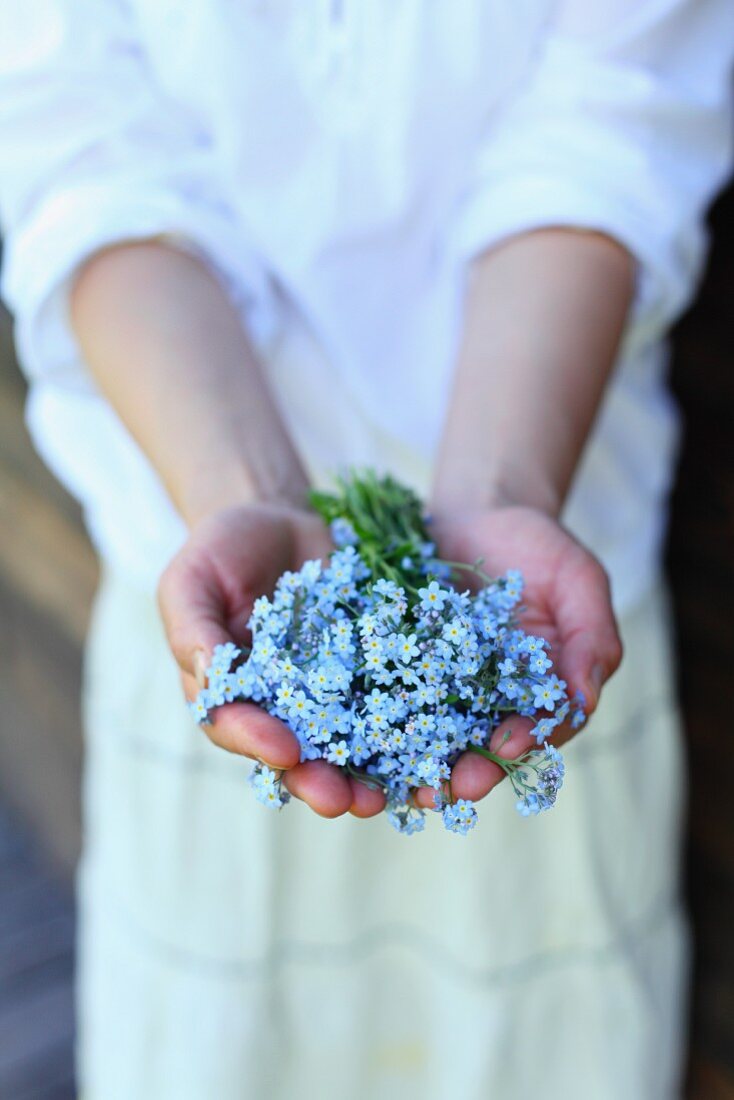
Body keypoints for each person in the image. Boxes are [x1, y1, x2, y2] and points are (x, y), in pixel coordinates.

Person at [1, 2, 732, 1097]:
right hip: (216, 592)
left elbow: (608, 134)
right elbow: (78, 145)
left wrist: (497, 489)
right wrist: (243, 490)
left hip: (537, 591)